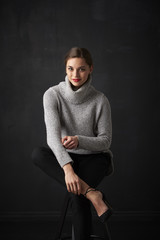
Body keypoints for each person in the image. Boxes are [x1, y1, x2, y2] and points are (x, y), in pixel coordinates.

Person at [32, 47, 114, 240]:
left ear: (91, 69)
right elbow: (52, 138)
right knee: (38, 153)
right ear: (65, 69)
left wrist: (79, 140)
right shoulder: (52, 94)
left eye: (81, 69)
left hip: (95, 158)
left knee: (76, 196)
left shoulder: (100, 100)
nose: (75, 74)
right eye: (70, 69)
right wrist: (68, 169)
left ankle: (87, 193)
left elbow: (105, 141)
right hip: (66, 159)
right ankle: (93, 194)